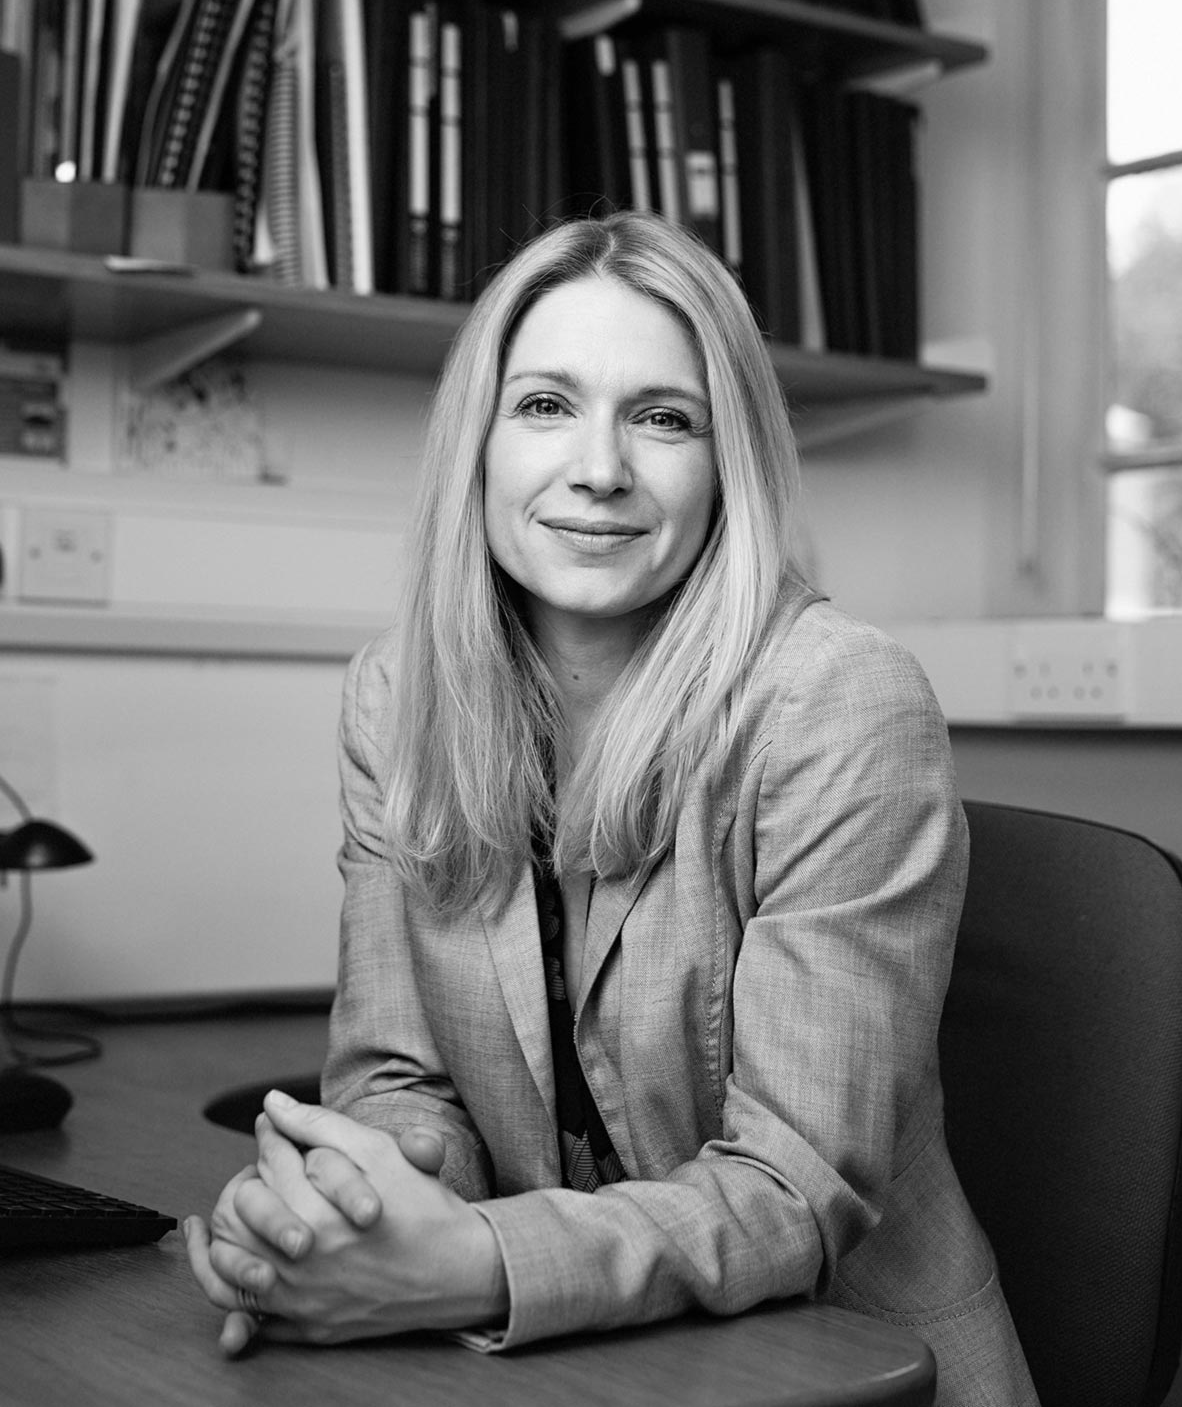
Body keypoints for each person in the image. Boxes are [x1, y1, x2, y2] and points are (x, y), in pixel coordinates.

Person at [184, 211, 1037, 1406]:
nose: (600, 468)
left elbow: (793, 1189)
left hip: (847, 1364)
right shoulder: (398, 697)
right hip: (571, 1361)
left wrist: (472, 1261)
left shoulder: (838, 700)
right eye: (544, 405)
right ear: (475, 444)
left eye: (663, 417)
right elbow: (396, 1073)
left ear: (726, 462)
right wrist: (353, 1210)